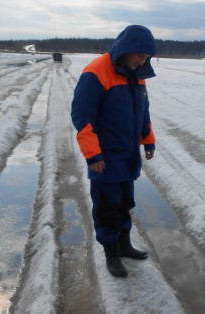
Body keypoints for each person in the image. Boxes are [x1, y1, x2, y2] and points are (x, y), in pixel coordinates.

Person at [71, 25, 158, 278]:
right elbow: (82, 116)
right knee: (107, 208)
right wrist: (92, 155)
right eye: (139, 55)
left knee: (124, 204)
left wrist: (148, 140)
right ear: (126, 49)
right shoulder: (97, 72)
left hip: (127, 156)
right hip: (105, 159)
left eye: (146, 57)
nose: (142, 61)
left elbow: (143, 112)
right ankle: (111, 254)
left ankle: (124, 245)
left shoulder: (137, 75)